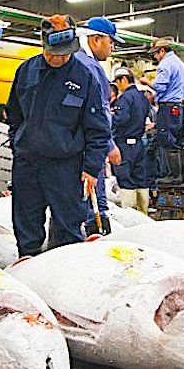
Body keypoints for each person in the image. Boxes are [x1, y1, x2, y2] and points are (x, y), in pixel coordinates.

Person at [6, 14, 109, 257]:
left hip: (66, 167)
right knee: (26, 228)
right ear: (43, 44)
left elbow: (98, 129)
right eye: (55, 52)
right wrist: (19, 142)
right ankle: (28, 267)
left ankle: (65, 280)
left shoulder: (85, 77)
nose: (60, 57)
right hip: (28, 165)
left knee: (68, 229)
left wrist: (91, 168)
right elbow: (14, 113)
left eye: (66, 52)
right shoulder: (26, 71)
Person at [75, 16, 124, 235]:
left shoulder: (76, 61)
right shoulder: (90, 68)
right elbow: (99, 112)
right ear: (95, 40)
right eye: (111, 41)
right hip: (89, 146)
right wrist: (109, 144)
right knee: (93, 201)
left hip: (77, 144)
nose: (113, 47)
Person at [140, 36, 184, 184]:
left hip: (168, 107)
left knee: (167, 140)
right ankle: (182, 175)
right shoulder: (180, 63)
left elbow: (160, 86)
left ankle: (174, 176)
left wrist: (147, 82)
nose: (155, 57)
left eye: (155, 53)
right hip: (179, 107)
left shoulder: (166, 64)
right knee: (178, 142)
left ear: (162, 51)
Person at [111, 68, 152, 214]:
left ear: (123, 80)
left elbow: (121, 119)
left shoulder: (125, 98)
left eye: (117, 82)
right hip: (139, 143)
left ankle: (129, 216)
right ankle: (143, 213)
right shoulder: (142, 97)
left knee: (125, 179)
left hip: (125, 145)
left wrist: (110, 118)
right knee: (140, 178)